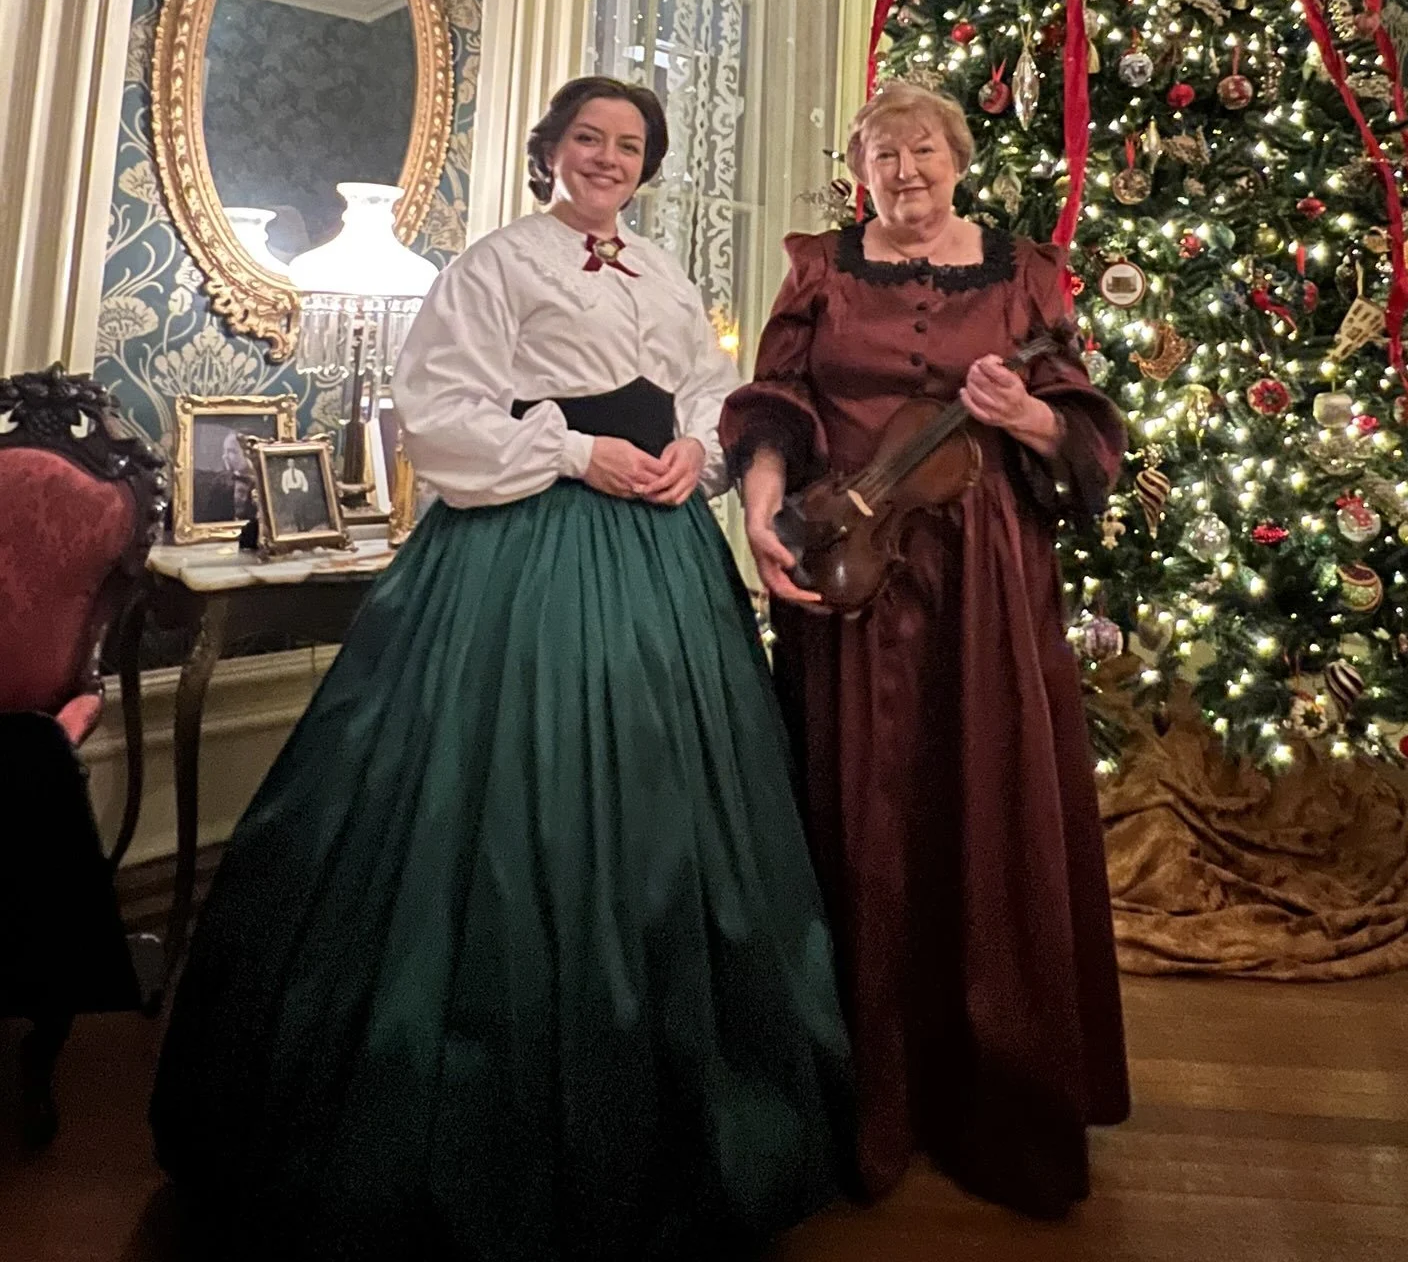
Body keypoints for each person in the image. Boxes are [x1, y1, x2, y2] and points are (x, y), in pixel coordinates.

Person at [152, 76, 852, 1262]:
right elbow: (442, 407)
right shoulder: (495, 264)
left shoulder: (664, 271)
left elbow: (702, 382)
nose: (610, 158)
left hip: (664, 556)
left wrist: (692, 447)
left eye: (630, 145)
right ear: (550, 151)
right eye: (590, 138)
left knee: (670, 802)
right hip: (523, 541)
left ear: (648, 164)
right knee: (487, 799)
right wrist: (581, 451)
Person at [723, 80, 1129, 1220]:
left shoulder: (1023, 275)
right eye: (882, 154)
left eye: (922, 151)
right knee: (854, 811)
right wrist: (761, 508)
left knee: (984, 801)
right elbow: (777, 401)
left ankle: (997, 1096)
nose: (904, 172)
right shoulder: (820, 267)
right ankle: (861, 1093)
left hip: (985, 577)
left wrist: (1025, 416)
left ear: (959, 160)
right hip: (844, 557)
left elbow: (1084, 426)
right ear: (860, 167)